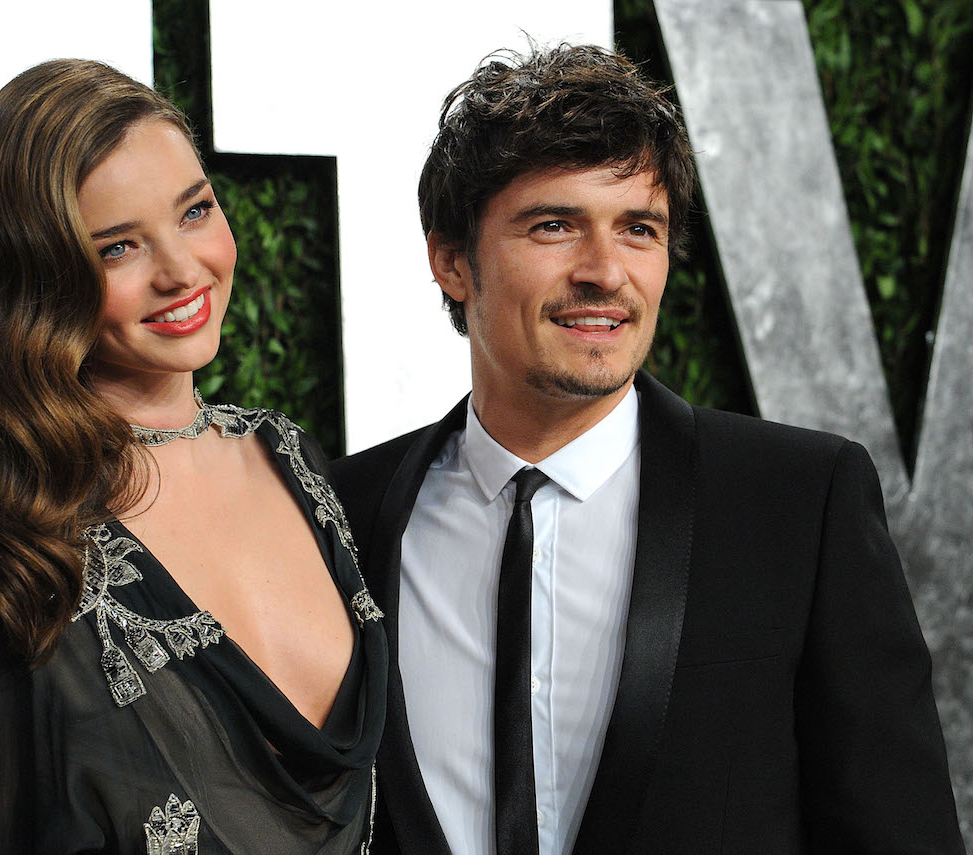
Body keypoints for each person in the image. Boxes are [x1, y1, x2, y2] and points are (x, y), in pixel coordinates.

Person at [330, 44, 962, 854]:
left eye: (638, 229)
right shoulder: (341, 517)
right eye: (554, 225)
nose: (605, 272)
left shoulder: (799, 501)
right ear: (452, 259)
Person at [0, 59, 386, 854]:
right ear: (33, 281)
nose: (182, 269)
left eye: (194, 211)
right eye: (118, 247)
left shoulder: (290, 455)